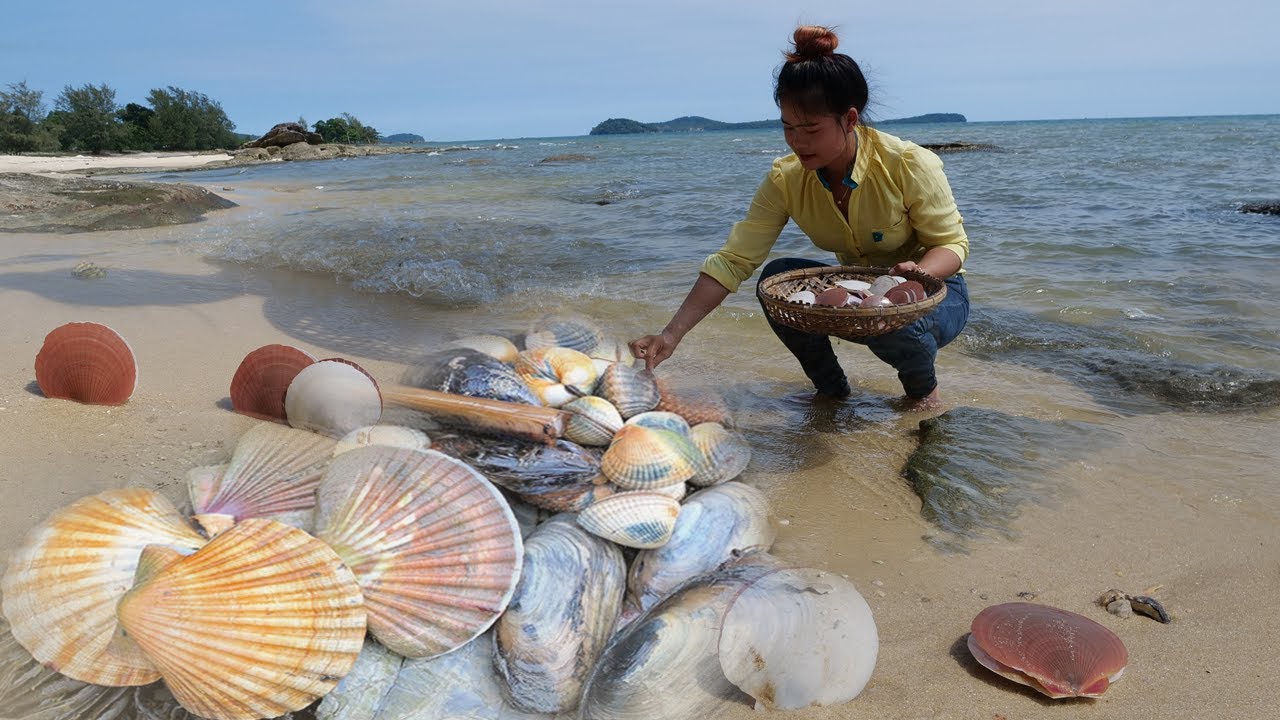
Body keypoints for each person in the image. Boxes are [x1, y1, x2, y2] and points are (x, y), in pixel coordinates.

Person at [629, 25, 970, 411]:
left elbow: (952, 245)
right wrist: (670, 335)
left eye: (810, 128)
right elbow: (734, 260)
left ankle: (923, 393)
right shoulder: (786, 178)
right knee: (777, 277)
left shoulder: (908, 163)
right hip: (857, 296)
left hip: (936, 296)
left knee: (891, 317)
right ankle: (831, 392)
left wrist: (916, 273)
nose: (797, 141)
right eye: (788, 127)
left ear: (850, 119)